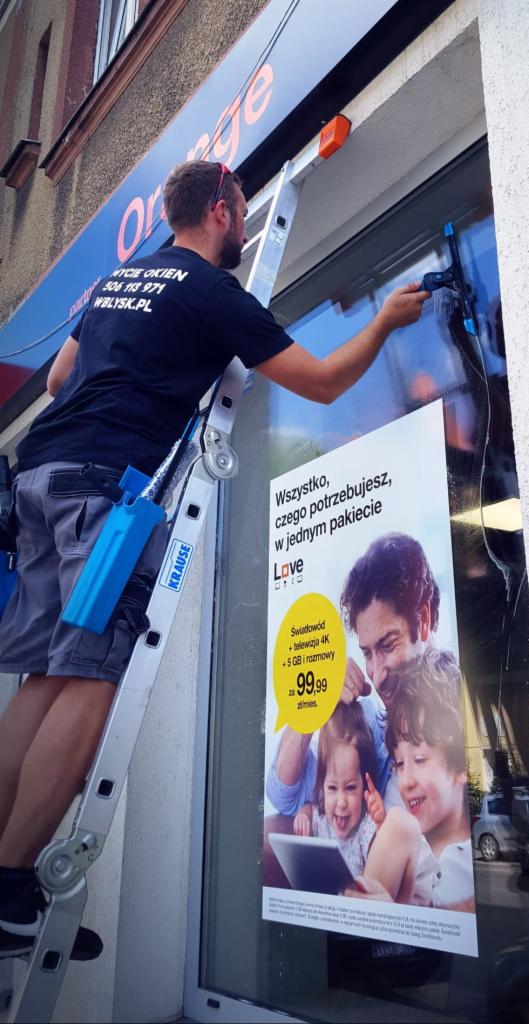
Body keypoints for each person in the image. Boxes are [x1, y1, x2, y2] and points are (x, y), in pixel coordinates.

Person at [0, 159, 430, 960]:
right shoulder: (207, 289)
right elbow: (326, 382)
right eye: (238, 209)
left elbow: (60, 377)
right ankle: (11, 886)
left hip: (40, 479)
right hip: (104, 490)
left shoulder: (122, 281)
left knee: (43, 679)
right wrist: (384, 323)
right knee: (91, 675)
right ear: (227, 212)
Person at [266, 532, 440, 814]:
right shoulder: (372, 727)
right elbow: (283, 795)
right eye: (367, 653)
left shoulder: (453, 712)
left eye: (387, 645)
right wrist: (316, 698)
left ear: (423, 621)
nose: (376, 673)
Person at [350, 649, 475, 912]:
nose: (405, 781)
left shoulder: (477, 859)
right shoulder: (407, 838)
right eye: (399, 764)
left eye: (419, 759)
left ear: (461, 765)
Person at [292, 701, 419, 902]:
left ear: (364, 787)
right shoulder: (322, 818)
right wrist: (302, 815)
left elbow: (386, 849)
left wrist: (380, 823)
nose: (341, 802)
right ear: (322, 787)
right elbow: (311, 809)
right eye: (332, 788)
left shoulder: (366, 827)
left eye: (351, 788)